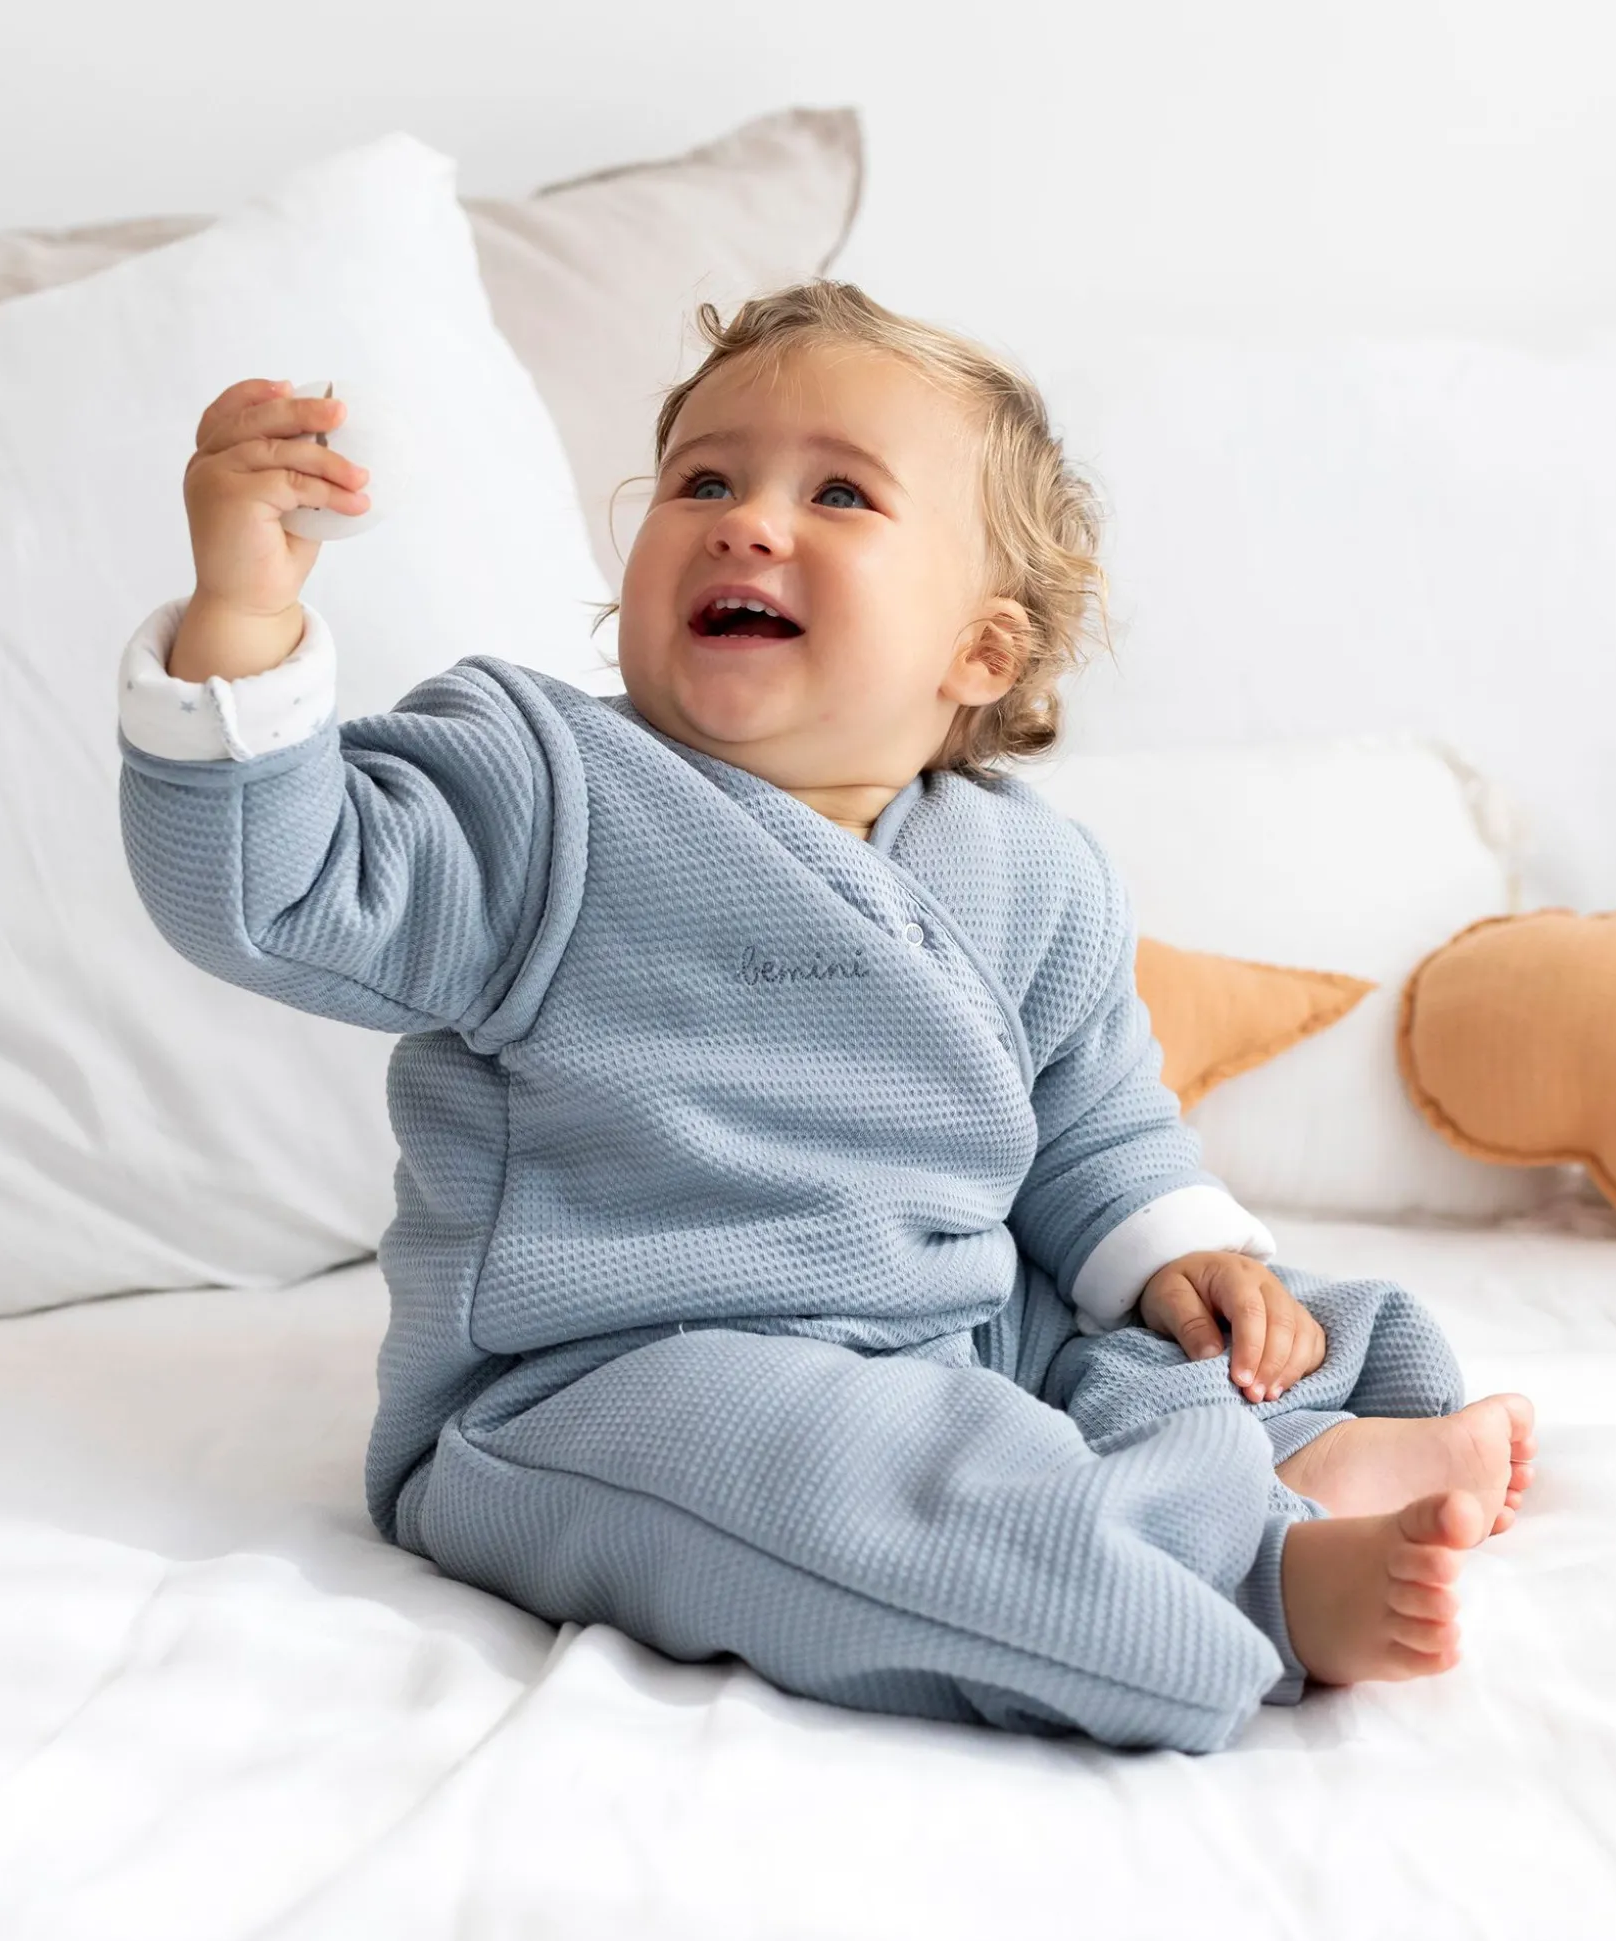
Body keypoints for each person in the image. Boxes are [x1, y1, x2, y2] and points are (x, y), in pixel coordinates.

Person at [116, 280, 1537, 1753]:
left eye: (839, 494)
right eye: (703, 481)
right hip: (615, 1376)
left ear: (980, 653)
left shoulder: (1030, 869)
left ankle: (1293, 1443)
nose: (746, 522)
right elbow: (276, 891)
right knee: (843, 1489)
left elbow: (1092, 1122)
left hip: (954, 1332)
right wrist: (244, 616)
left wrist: (1182, 1259)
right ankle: (1248, 1578)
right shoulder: (546, 794)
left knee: (1220, 1329)